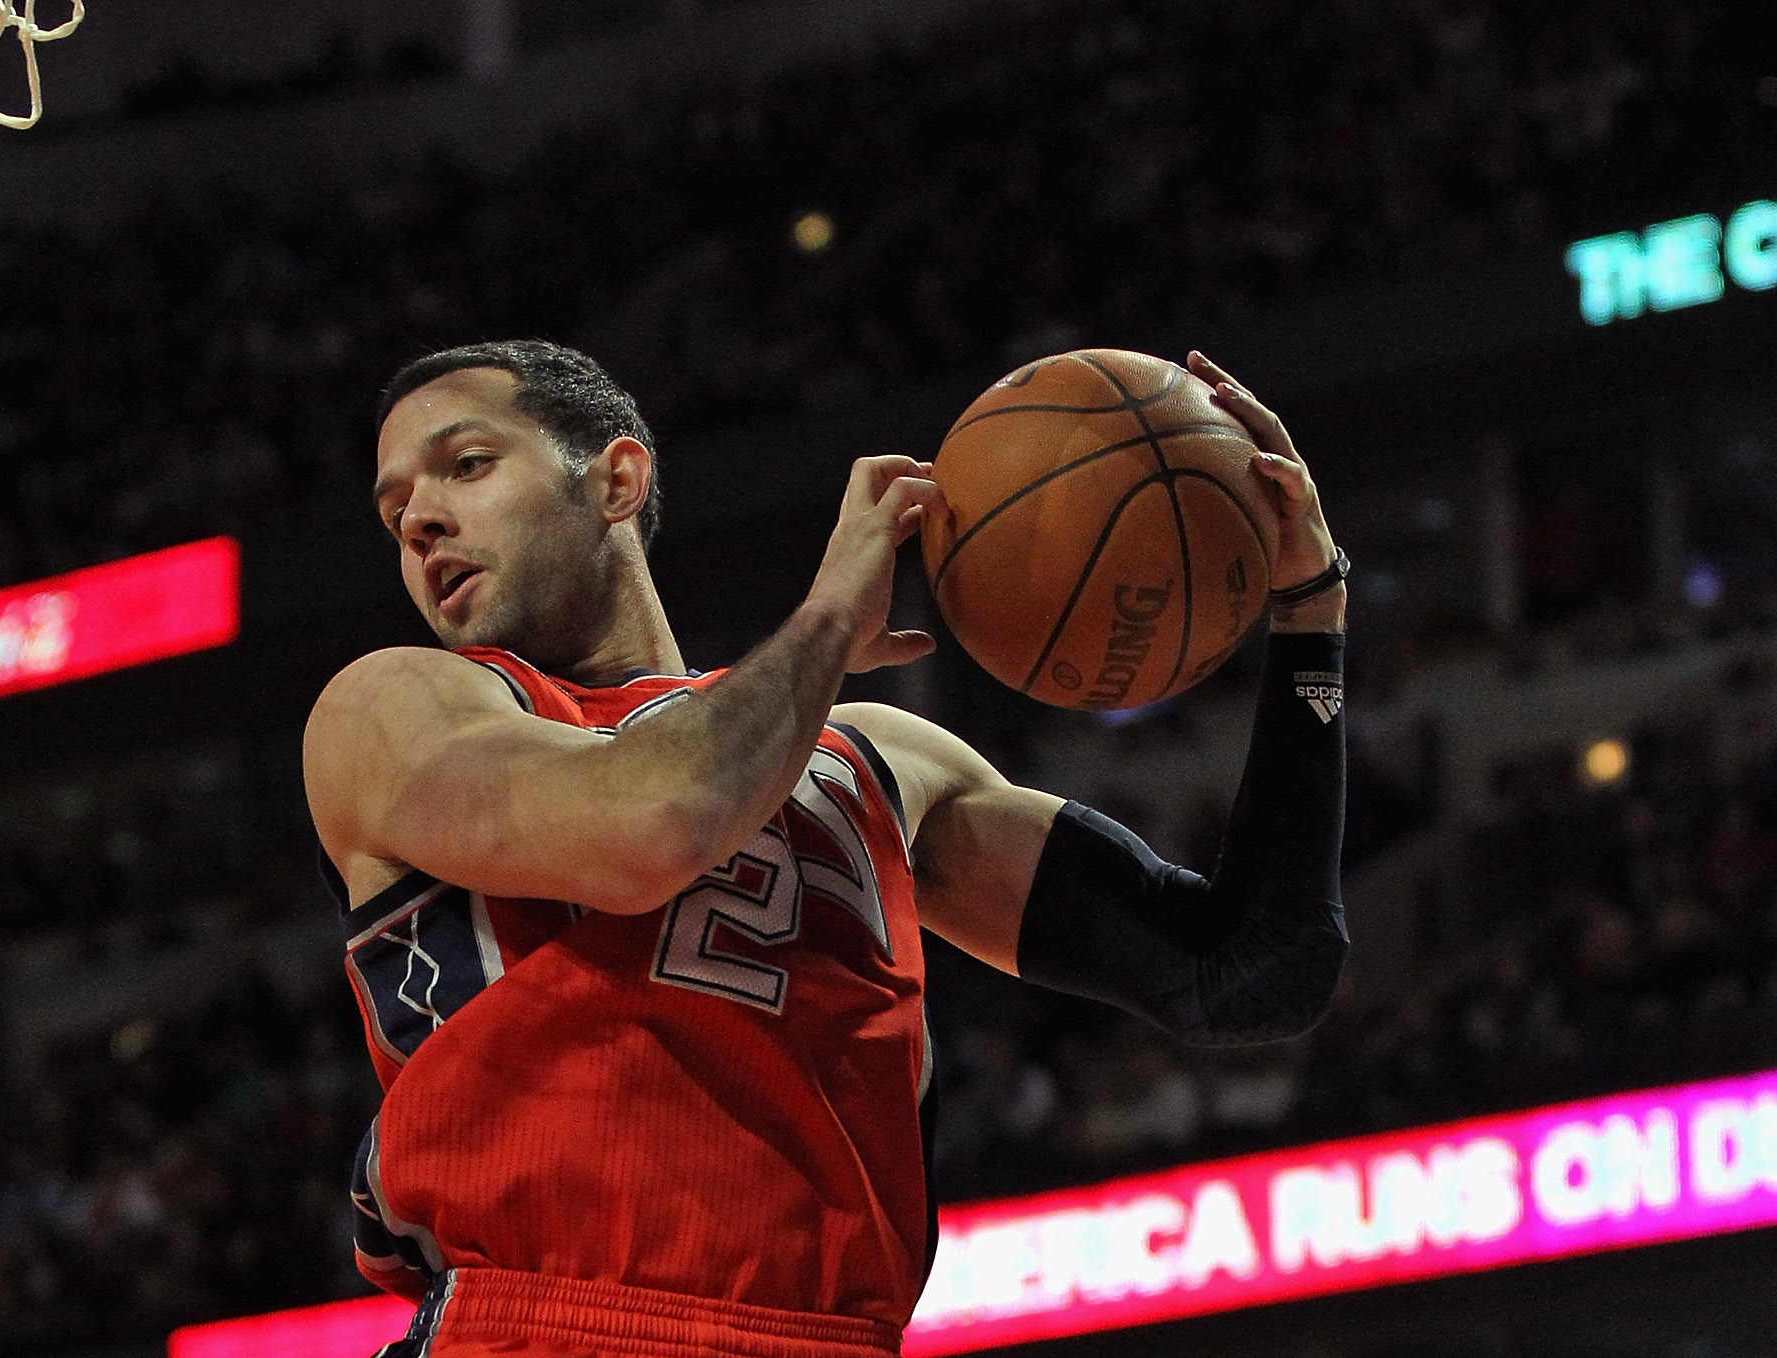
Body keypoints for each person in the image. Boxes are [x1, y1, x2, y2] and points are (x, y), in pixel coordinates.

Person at [302, 340, 1349, 1358]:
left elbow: (1247, 971)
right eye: (396, 513)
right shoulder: (394, 706)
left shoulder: (877, 762)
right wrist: (825, 619)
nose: (422, 519)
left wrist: (1310, 615)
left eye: (467, 464)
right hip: (549, 1322)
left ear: (615, 478)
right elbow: (656, 820)